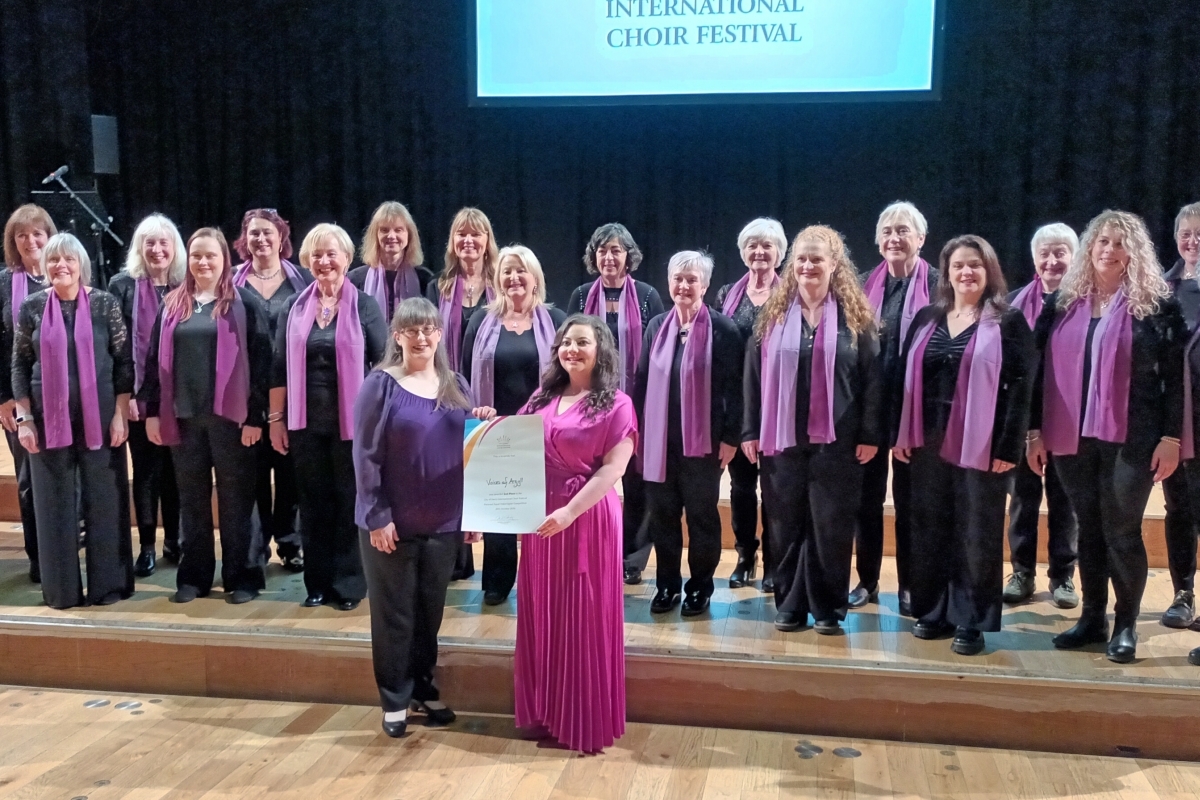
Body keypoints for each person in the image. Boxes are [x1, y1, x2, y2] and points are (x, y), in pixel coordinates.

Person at [1029, 210, 1185, 664]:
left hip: (1133, 436)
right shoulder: (1061, 304)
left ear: (1133, 252)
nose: (1108, 250)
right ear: (1088, 248)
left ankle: (1125, 623)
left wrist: (1171, 438)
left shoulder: (1157, 306)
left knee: (1121, 529)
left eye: (1119, 243)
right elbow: (1038, 375)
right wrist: (1034, 433)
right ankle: (1092, 618)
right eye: (1101, 241)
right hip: (1069, 435)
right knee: (1089, 528)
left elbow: (1173, 380)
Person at [354, 297, 492, 738]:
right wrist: (376, 515)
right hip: (392, 523)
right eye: (411, 330)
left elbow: (470, 452)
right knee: (395, 615)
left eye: (428, 329)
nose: (421, 337)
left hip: (445, 523)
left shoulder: (457, 385)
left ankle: (422, 687)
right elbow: (365, 455)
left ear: (439, 334)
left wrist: (483, 421)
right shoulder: (380, 384)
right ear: (397, 336)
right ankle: (394, 697)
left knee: (429, 614)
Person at [892, 235, 1033, 656]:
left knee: (976, 530)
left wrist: (1009, 447)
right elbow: (903, 376)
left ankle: (970, 619)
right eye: (958, 266)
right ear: (947, 273)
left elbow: (1022, 388)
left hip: (983, 442)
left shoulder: (1008, 321)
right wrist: (901, 434)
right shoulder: (927, 316)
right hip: (927, 440)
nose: (966, 272)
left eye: (975, 265)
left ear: (988, 271)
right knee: (929, 525)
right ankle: (933, 610)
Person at [742, 226, 882, 634]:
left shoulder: (858, 320)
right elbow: (752, 378)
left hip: (839, 442)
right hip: (780, 440)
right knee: (783, 522)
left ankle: (827, 607)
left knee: (831, 525)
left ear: (834, 265)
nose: (808, 266)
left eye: (817, 258)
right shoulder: (771, 315)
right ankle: (789, 603)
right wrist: (750, 430)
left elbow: (874, 382)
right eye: (801, 259)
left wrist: (871, 434)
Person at [515, 314, 638, 754]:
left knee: (583, 617)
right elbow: (514, 448)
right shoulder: (540, 397)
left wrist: (569, 511)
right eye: (566, 343)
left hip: (585, 518)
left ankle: (582, 719)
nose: (571, 350)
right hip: (540, 520)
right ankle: (545, 712)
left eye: (582, 343)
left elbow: (613, 470)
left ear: (600, 350)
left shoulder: (617, 403)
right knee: (542, 613)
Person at [141, 227, 273, 604]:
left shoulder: (245, 303)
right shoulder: (172, 304)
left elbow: (263, 362)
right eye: (196, 255)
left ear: (223, 261)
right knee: (191, 500)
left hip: (232, 420)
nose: (202, 262)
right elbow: (153, 363)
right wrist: (151, 410)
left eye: (210, 255)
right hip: (183, 417)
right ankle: (195, 575)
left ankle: (242, 576)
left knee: (237, 500)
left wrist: (256, 418)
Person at [12, 233, 134, 609]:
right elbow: (19, 363)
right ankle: (61, 592)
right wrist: (25, 418)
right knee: (52, 507)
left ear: (82, 264)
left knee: (105, 502)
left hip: (100, 418)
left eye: (68, 260)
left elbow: (123, 362)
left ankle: (108, 587)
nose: (60, 266)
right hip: (47, 421)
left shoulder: (104, 304)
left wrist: (119, 413)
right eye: (53, 261)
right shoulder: (31, 307)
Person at [270, 224, 388, 610]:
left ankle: (349, 584)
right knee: (313, 503)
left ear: (345, 258)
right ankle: (317, 584)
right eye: (317, 255)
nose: (324, 262)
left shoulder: (365, 306)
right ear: (308, 260)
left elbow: (386, 366)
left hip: (353, 426)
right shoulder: (294, 307)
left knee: (348, 501)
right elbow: (277, 368)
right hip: (304, 424)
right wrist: (275, 419)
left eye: (331, 254)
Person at [632, 251, 741, 616]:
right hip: (659, 445)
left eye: (692, 279)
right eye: (678, 278)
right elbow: (642, 382)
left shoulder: (724, 329)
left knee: (701, 518)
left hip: (704, 445)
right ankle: (666, 586)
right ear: (669, 282)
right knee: (662, 518)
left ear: (705, 285)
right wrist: (634, 433)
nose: (684, 285)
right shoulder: (656, 326)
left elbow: (735, 389)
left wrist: (730, 438)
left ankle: (700, 588)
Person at [460, 245, 566, 605]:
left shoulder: (556, 320)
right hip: (493, 427)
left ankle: (541, 580)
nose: (514, 278)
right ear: (497, 278)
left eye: (521, 271)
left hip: (541, 428)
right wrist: (476, 409)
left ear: (535, 278)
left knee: (540, 507)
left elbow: (569, 376)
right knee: (499, 509)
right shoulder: (480, 321)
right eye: (507, 271)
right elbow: (462, 375)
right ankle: (497, 582)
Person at [566, 223, 664, 586]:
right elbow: (571, 346)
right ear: (595, 257)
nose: (609, 257)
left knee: (636, 481)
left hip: (635, 400)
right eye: (603, 250)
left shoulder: (648, 296)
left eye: (616, 250)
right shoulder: (579, 297)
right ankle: (592, 550)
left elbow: (658, 350)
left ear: (629, 257)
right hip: (590, 401)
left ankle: (632, 559)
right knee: (590, 476)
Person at [853, 201, 939, 615]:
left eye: (903, 231)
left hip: (918, 413)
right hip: (868, 412)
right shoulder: (860, 285)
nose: (894, 238)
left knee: (912, 505)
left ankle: (910, 585)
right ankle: (866, 581)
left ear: (921, 239)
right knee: (865, 502)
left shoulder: (941, 286)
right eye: (887, 231)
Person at [1002, 223, 1080, 608]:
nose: (1052, 261)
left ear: (1074, 257)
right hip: (1022, 420)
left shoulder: (1088, 302)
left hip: (1069, 419)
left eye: (1060, 253)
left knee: (1065, 499)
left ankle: (1063, 576)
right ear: (1034, 259)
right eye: (1045, 254)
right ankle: (1022, 571)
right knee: (1023, 498)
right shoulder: (1013, 304)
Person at [232, 208, 311, 574]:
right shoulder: (229, 282)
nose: (261, 240)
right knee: (253, 473)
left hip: (293, 392)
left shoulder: (303, 283)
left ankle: (290, 542)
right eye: (254, 234)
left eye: (268, 233)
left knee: (292, 472)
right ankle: (256, 546)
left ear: (282, 237)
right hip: (243, 394)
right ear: (244, 241)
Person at [108, 214, 187, 577]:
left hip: (181, 399)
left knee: (176, 473)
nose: (157, 250)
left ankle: (176, 540)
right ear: (140, 248)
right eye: (150, 243)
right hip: (140, 399)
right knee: (146, 473)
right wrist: (130, 398)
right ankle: (148, 547)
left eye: (164, 243)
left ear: (175, 249)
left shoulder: (187, 285)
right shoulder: (122, 286)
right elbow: (119, 350)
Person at [426, 207, 497, 582]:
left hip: (487, 394)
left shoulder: (501, 284)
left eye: (476, 234)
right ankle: (455, 560)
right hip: (444, 392)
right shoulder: (436, 287)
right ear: (453, 242)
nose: (468, 241)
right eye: (461, 234)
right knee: (449, 473)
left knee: (482, 474)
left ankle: (490, 567)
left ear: (487, 242)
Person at [714, 218, 784, 591]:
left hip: (777, 406)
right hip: (737, 406)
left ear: (779, 253)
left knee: (774, 489)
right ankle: (745, 555)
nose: (759, 252)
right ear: (743, 252)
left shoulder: (790, 292)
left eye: (767, 246)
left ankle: (775, 560)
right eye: (752, 246)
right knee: (741, 488)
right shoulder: (727, 293)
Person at [1, 204, 57, 582]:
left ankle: (65, 551)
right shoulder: (4, 283)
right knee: (27, 479)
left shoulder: (67, 274)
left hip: (65, 396)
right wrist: (3, 397)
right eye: (22, 234)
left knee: (67, 476)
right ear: (13, 241)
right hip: (18, 399)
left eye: (38, 233)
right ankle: (39, 557)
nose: (31, 240)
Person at [1159, 201, 1200, 629]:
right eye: (1186, 234)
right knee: (1179, 506)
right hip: (1173, 416)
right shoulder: (1161, 287)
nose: (1193, 242)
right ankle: (1182, 592)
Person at [347, 201, 434, 320]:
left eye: (398, 230)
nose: (391, 236)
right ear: (375, 235)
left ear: (409, 235)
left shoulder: (426, 280)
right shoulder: (354, 280)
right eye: (384, 230)